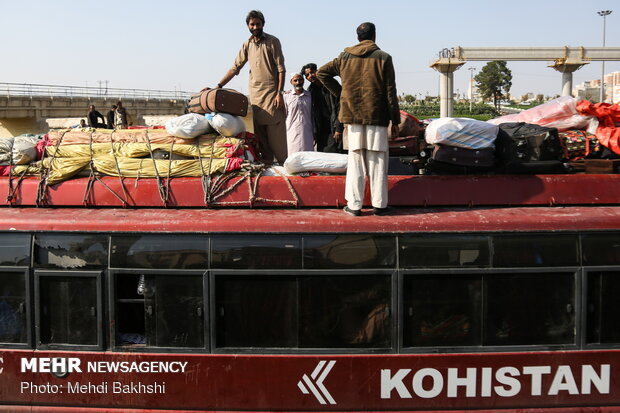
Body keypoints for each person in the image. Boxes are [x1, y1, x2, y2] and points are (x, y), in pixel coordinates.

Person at [317, 22, 400, 216]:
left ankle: (354, 206)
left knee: (356, 161)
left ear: (358, 38)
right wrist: (394, 120)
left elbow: (322, 73)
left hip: (352, 117)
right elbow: (390, 92)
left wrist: (342, 94)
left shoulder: (344, 57)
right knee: (378, 160)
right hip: (377, 116)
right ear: (374, 36)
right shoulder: (383, 58)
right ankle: (380, 205)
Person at [217, 10, 287, 164]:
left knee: (277, 138)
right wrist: (219, 85)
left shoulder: (273, 41)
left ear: (263, 24)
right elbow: (235, 68)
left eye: (258, 24)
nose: (255, 27)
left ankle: (284, 167)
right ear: (248, 26)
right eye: (252, 24)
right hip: (255, 95)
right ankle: (268, 168)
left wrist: (279, 93)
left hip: (272, 94)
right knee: (261, 137)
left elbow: (281, 69)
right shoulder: (247, 44)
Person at [301, 63, 344, 153]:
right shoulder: (310, 92)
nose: (310, 76)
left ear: (317, 71)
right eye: (307, 75)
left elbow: (341, 106)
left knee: (335, 152)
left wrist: (338, 128)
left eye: (312, 72)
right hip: (322, 129)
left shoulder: (330, 85)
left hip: (335, 125)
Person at [283, 73, 314, 156]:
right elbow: (284, 115)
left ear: (303, 81)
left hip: (307, 131)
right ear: (291, 82)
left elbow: (313, 114)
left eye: (300, 80)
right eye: (295, 80)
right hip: (291, 131)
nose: (298, 82)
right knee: (293, 156)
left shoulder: (309, 95)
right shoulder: (286, 96)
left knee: (308, 156)